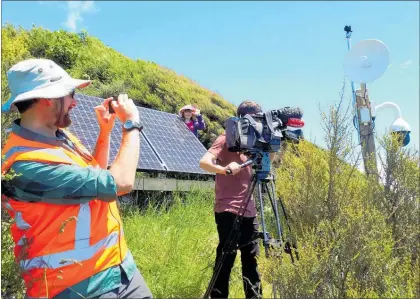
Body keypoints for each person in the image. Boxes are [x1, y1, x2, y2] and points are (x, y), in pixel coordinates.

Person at [1, 58, 153, 299]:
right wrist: (131, 125)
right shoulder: (24, 163)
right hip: (77, 287)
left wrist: (105, 132)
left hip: (121, 269)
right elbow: (120, 183)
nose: (75, 101)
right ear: (48, 98)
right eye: (70, 94)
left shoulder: (60, 137)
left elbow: (94, 177)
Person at [199, 100, 273, 299]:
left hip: (249, 210)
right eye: (253, 116)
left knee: (251, 260)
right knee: (226, 258)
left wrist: (270, 146)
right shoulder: (226, 139)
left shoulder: (254, 144)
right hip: (228, 210)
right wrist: (223, 170)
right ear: (242, 118)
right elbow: (204, 162)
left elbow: (265, 166)